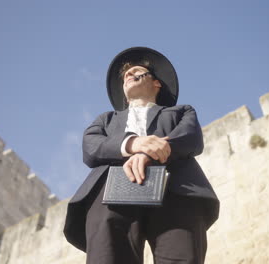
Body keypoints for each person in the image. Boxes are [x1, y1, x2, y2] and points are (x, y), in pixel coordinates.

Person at [64, 47, 219, 264]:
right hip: (110, 193)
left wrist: (150, 154)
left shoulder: (182, 111)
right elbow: (91, 146)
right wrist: (133, 143)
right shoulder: (106, 119)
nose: (127, 75)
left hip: (176, 189)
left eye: (136, 71)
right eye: (125, 75)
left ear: (156, 82)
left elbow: (190, 137)